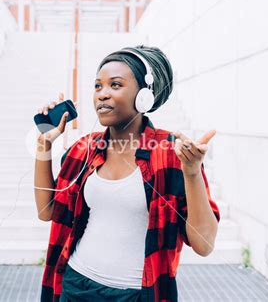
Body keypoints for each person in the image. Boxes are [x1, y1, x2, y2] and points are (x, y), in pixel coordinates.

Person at [35, 45, 221, 302]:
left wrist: (191, 172)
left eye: (115, 85)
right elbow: (47, 211)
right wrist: (43, 147)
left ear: (144, 96)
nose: (102, 95)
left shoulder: (170, 152)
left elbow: (204, 245)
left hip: (137, 293)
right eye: (98, 86)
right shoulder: (84, 148)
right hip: (76, 284)